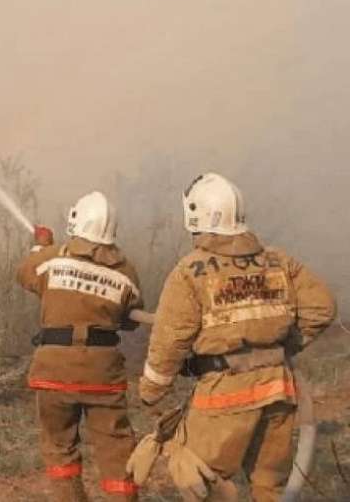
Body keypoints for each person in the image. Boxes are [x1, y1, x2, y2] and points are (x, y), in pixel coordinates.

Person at [138, 173, 336, 502]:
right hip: (278, 390)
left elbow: (169, 340)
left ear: (196, 216)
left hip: (223, 396)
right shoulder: (279, 261)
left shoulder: (190, 271)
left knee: (204, 480)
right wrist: (279, 349)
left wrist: (151, 391)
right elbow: (322, 308)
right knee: (268, 485)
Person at [17, 191, 143, 501]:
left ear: (75, 221)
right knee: (116, 448)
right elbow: (131, 320)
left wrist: (41, 246)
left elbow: (25, 274)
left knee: (60, 448)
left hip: (54, 372)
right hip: (103, 375)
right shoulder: (125, 270)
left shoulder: (53, 257)